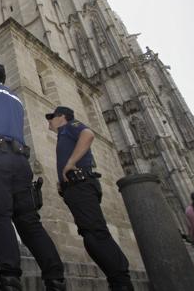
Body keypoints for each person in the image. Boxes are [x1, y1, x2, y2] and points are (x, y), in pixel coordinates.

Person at [0, 62, 66, 291]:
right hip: (20, 161)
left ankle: (9, 281)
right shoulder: (15, 98)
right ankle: (56, 279)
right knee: (29, 222)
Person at [45, 106, 133, 290]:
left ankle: (121, 281)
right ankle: (117, 279)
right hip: (75, 188)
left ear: (62, 116)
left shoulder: (71, 125)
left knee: (95, 235)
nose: (49, 122)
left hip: (82, 185)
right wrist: (63, 181)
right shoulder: (63, 135)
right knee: (91, 235)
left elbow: (88, 134)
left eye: (51, 117)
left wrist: (71, 163)